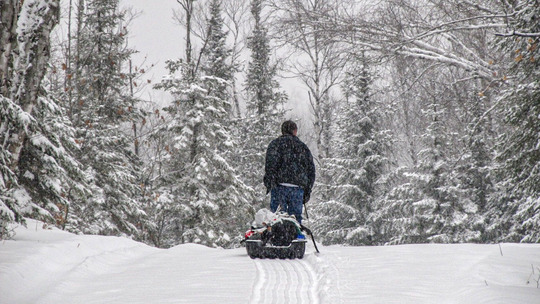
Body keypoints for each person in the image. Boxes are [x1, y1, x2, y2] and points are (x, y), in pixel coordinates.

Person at [264, 120, 316, 224]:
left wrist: (269, 184)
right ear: (295, 131)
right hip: (297, 188)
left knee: (276, 218)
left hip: (279, 186)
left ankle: (278, 236)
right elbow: (311, 170)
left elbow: (270, 166)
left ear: (282, 131)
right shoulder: (303, 147)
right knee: (296, 220)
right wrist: (307, 190)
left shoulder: (275, 145)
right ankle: (296, 236)